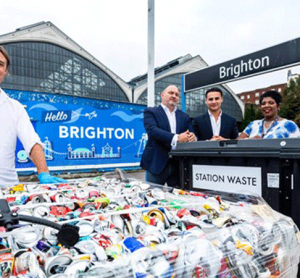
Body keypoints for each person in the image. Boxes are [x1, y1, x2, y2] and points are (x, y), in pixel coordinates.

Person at [0, 46, 66, 186]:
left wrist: (43, 172)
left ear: (5, 71)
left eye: (0, 64)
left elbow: (32, 142)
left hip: (7, 189)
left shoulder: (15, 107)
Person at [140, 85, 196, 187]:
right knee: (153, 196)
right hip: (156, 164)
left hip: (178, 165)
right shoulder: (151, 112)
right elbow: (152, 130)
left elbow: (191, 132)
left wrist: (192, 136)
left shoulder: (184, 116)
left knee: (177, 198)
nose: (174, 96)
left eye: (176, 94)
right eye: (171, 93)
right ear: (162, 95)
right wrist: (177, 138)